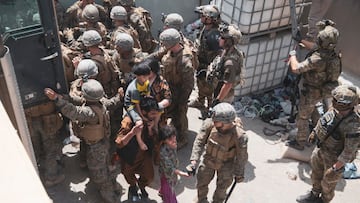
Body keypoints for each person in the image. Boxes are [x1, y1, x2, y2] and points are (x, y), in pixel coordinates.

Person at [44, 79, 119, 203]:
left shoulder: (90, 113)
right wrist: (63, 97)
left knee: (99, 174)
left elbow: (74, 111)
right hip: (101, 143)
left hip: (96, 148)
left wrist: (57, 99)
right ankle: (112, 185)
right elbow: (78, 100)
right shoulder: (101, 103)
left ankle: (110, 197)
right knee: (103, 166)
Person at [296, 85, 360, 203]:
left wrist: (336, 168)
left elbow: (348, 152)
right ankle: (314, 194)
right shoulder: (334, 110)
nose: (334, 103)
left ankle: (324, 201)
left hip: (334, 159)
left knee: (328, 184)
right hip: (321, 150)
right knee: (315, 175)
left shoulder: (353, 126)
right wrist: (315, 133)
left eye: (338, 101)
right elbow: (324, 121)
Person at [286, 21, 341, 150]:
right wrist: (301, 40)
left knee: (303, 117)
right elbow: (315, 46)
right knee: (316, 113)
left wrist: (292, 56)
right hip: (323, 90)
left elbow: (296, 69)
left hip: (311, 91)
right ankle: (318, 137)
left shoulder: (318, 59)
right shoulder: (333, 54)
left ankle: (300, 143)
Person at [189, 102, 248, 203]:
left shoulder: (239, 136)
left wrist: (239, 173)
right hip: (209, 159)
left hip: (226, 164)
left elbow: (241, 156)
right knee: (202, 182)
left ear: (226, 122)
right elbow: (199, 141)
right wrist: (194, 160)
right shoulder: (210, 124)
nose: (213, 121)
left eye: (217, 120)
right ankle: (201, 199)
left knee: (222, 189)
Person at [115, 97, 160, 202]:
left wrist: (151, 129)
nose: (155, 116)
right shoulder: (128, 121)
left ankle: (142, 186)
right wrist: (132, 133)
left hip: (144, 155)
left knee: (149, 176)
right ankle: (133, 187)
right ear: (143, 112)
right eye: (152, 114)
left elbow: (157, 141)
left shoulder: (152, 120)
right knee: (128, 174)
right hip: (130, 155)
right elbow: (119, 143)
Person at [159, 28, 195, 148]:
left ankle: (183, 138)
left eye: (164, 43)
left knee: (180, 115)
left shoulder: (185, 61)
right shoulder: (171, 51)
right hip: (170, 88)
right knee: (172, 113)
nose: (163, 46)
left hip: (180, 91)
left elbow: (189, 83)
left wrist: (182, 100)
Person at [24, 100, 64, 187]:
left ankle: (37, 171)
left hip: (30, 118)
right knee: (51, 148)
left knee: (35, 147)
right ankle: (52, 177)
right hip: (47, 118)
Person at [189, 4, 222, 111]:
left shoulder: (214, 35)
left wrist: (210, 69)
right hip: (201, 63)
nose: (201, 18)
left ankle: (210, 108)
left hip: (207, 66)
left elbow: (218, 54)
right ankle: (200, 101)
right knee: (200, 83)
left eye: (203, 16)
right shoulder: (206, 28)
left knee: (208, 88)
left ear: (210, 19)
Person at [208, 23, 245, 106]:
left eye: (222, 38)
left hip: (224, 96)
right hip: (219, 87)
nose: (219, 38)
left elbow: (228, 85)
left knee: (221, 116)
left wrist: (218, 100)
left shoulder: (230, 63)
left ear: (229, 41)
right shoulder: (227, 50)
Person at [124, 62, 152, 151]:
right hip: (131, 105)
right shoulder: (134, 89)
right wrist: (142, 117)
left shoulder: (146, 82)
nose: (147, 78)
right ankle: (140, 141)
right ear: (138, 76)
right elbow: (137, 105)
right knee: (139, 123)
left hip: (141, 99)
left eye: (148, 76)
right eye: (145, 76)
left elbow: (147, 95)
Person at [158, 125, 190, 203]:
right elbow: (170, 168)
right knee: (170, 194)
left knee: (166, 185)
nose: (173, 140)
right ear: (164, 140)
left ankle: (162, 192)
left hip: (169, 172)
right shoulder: (163, 152)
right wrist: (182, 173)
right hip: (167, 173)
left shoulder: (173, 144)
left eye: (174, 137)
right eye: (170, 139)